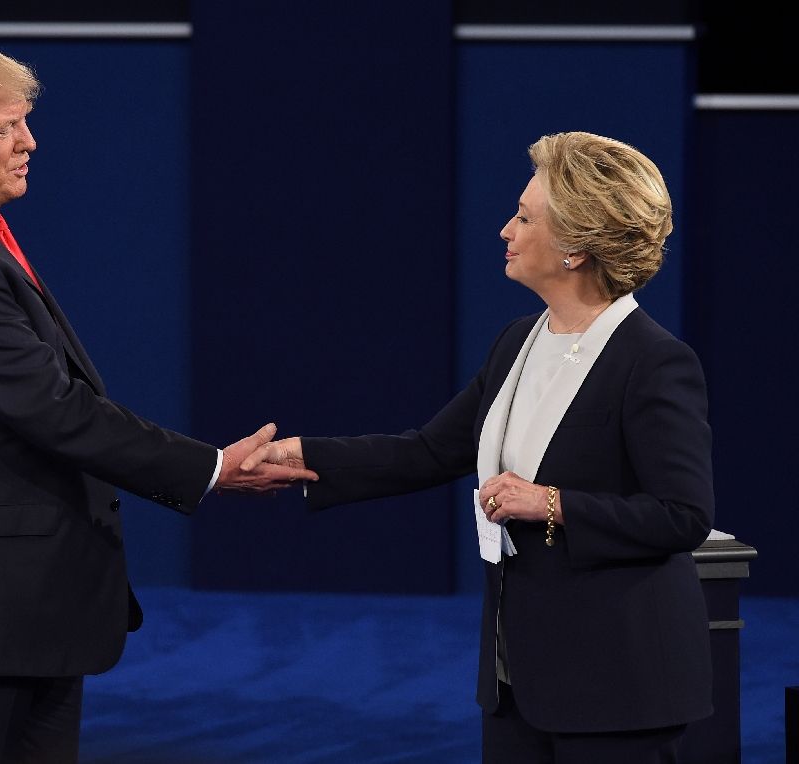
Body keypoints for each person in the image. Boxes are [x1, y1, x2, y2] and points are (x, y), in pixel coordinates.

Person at [0, 39, 316, 764]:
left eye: (24, 123)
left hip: (10, 608)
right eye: (2, 129)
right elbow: (56, 411)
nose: (28, 143)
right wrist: (212, 468)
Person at [243, 131, 714, 763]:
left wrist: (550, 503)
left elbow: (682, 515)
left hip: (618, 684)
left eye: (524, 217)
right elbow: (429, 452)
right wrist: (304, 456)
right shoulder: (518, 341)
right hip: (519, 679)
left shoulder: (654, 362)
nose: (505, 231)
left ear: (575, 247)